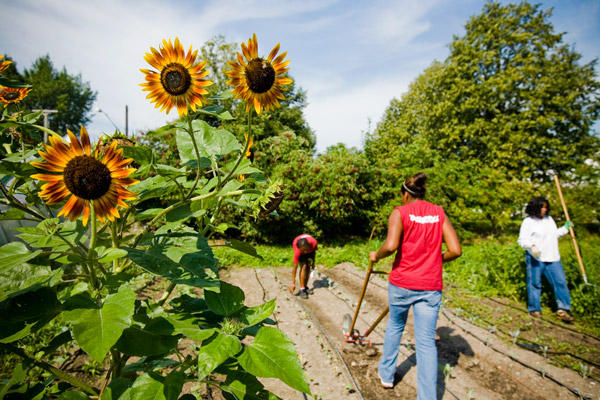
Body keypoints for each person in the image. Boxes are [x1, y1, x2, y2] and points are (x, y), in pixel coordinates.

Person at [369, 172, 462, 397]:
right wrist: (436, 259)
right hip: (430, 286)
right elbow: (456, 250)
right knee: (426, 343)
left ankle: (387, 375)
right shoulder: (438, 213)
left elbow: (391, 246)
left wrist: (376, 256)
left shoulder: (400, 212)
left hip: (402, 283)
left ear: (404, 195)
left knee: (395, 326)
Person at [517, 196, 574, 322]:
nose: (544, 210)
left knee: (560, 282)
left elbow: (553, 235)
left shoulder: (549, 219)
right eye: (541, 207)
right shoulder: (528, 222)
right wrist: (531, 246)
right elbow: (522, 240)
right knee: (535, 283)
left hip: (552, 256)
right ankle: (534, 308)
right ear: (534, 208)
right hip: (536, 257)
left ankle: (563, 309)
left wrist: (565, 228)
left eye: (546, 207)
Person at [290, 234, 318, 299]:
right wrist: (293, 283)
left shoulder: (313, 243)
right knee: (304, 266)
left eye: (306, 249)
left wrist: (313, 264)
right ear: (300, 249)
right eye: (303, 250)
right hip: (301, 250)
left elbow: (313, 253)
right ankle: (302, 289)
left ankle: (305, 286)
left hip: (310, 249)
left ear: (308, 245)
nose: (305, 252)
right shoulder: (298, 251)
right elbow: (295, 268)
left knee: (308, 266)